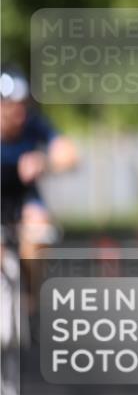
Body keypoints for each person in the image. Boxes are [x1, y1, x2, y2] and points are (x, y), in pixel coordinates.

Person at [1, 65, 77, 273]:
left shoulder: (32, 124)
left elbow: (69, 153)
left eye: (23, 105)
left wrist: (44, 161)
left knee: (39, 230)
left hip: (25, 196)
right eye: (12, 106)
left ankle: (30, 299)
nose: (19, 113)